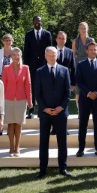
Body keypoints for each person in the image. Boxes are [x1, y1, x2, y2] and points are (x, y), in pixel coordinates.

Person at [34, 46, 72, 178]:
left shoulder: (65, 70)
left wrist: (61, 107)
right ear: (45, 56)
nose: (52, 57)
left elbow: (68, 93)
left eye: (54, 55)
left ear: (57, 56)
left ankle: (63, 168)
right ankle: (42, 169)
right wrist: (44, 108)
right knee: (44, 141)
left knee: (62, 142)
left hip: (61, 112)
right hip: (45, 113)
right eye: (49, 55)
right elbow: (37, 93)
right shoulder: (39, 72)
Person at [75, 41, 97, 157]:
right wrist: (88, 93)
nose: (93, 51)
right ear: (87, 51)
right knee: (82, 124)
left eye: (95, 49)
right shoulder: (81, 65)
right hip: (85, 99)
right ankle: (81, 149)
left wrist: (96, 93)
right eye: (91, 49)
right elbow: (79, 81)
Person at [2, 47, 32, 157]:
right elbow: (3, 85)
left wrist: (30, 100)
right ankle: (11, 147)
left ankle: (17, 147)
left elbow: (28, 85)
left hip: (21, 99)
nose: (16, 57)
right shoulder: (6, 68)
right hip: (8, 99)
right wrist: (1, 101)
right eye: (14, 55)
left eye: (18, 55)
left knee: (18, 124)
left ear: (20, 56)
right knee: (10, 123)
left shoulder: (25, 68)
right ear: (11, 56)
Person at [23, 16, 54, 119]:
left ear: (41, 22)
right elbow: (26, 50)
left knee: (44, 87)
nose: (37, 22)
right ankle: (31, 110)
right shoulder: (28, 34)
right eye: (35, 21)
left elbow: (50, 49)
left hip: (44, 65)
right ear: (33, 22)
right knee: (31, 87)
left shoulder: (47, 34)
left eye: (39, 21)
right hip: (31, 65)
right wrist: (26, 65)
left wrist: (49, 64)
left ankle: (44, 110)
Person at [72, 22, 94, 106]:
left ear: (87, 29)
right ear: (79, 29)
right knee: (78, 89)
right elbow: (73, 55)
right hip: (78, 65)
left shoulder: (91, 40)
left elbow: (94, 54)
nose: (83, 30)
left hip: (89, 65)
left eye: (84, 28)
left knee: (90, 87)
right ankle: (79, 110)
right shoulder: (75, 41)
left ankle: (89, 108)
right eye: (81, 28)